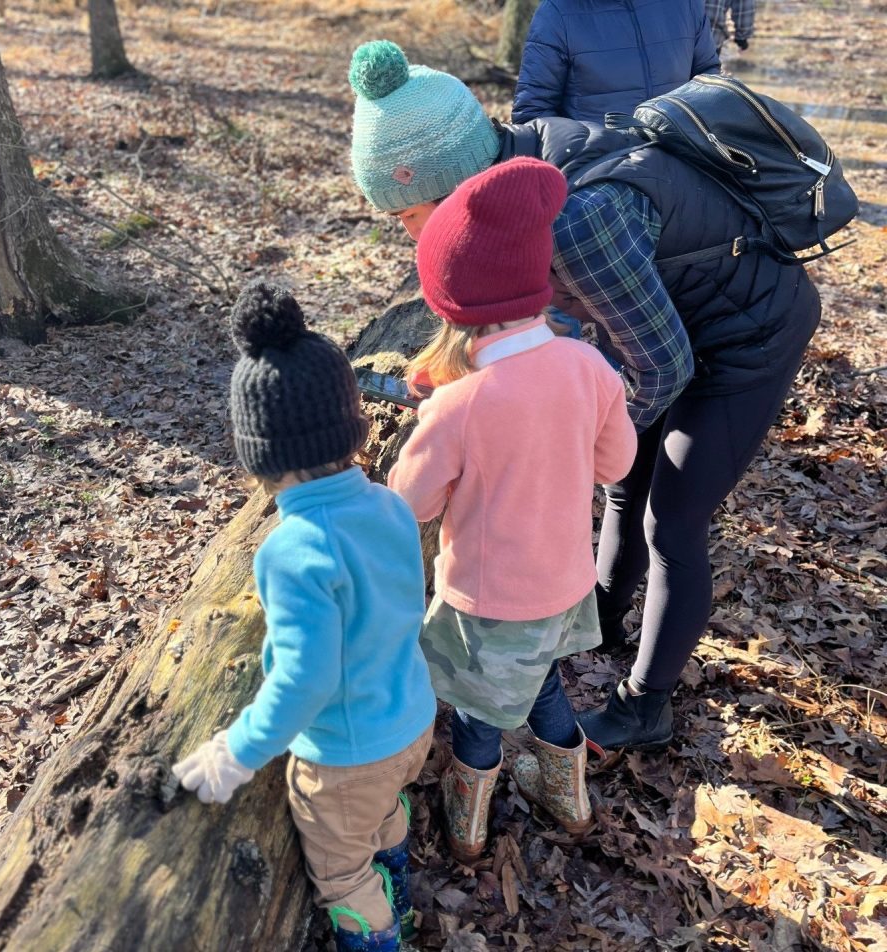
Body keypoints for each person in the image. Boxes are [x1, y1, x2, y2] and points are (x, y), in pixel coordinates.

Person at [348, 41, 822, 752]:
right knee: (626, 486)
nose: (409, 236)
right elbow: (569, 317)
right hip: (672, 322)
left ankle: (645, 705)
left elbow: (660, 370)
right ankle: (598, 609)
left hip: (746, 337)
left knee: (671, 520)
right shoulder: (521, 174)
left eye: (407, 215)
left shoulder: (573, 220)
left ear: (449, 182)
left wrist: (559, 430)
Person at [172, 279, 436, 952]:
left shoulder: (293, 550)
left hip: (348, 753)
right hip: (411, 720)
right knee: (379, 823)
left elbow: (305, 678)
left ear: (260, 453)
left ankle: (380, 931)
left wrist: (237, 753)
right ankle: (398, 888)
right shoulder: (389, 505)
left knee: (342, 873)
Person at [387, 158, 637, 861]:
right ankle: (569, 796)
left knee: (477, 710)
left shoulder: (458, 406)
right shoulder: (588, 367)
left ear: (452, 304)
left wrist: (432, 419)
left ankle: (468, 825)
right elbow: (615, 465)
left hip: (486, 602)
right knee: (541, 683)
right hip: (561, 585)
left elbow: (411, 503)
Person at [512, 0, 721, 125]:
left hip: (680, 170)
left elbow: (706, 77)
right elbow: (533, 114)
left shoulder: (684, 4)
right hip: (598, 179)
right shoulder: (556, 14)